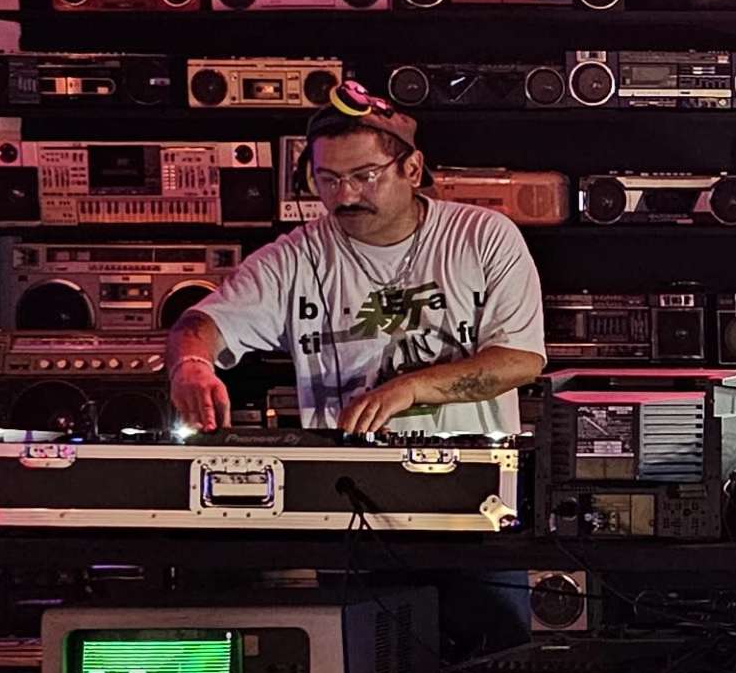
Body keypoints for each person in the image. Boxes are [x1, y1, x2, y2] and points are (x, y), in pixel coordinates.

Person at [168, 103, 548, 437]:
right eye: (328, 180)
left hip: (468, 479)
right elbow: (198, 324)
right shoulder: (295, 257)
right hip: (343, 479)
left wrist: (409, 388)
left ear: (412, 170)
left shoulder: (482, 236)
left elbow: (519, 361)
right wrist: (192, 365)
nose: (345, 196)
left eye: (364, 176)